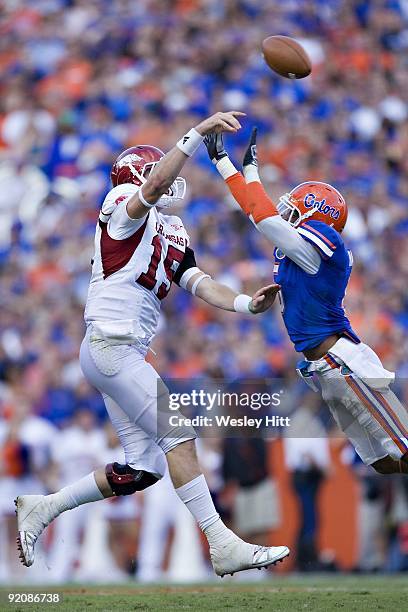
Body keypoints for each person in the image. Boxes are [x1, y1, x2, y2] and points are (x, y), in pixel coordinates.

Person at [15, 111, 289, 577]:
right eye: (154, 171)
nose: (166, 180)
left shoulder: (171, 229)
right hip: (111, 345)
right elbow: (157, 182)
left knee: (144, 469)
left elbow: (200, 283)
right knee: (178, 432)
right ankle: (221, 543)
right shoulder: (121, 205)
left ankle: (44, 507)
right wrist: (198, 132)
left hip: (121, 353)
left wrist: (245, 304)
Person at [204, 127, 408, 477]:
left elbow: (262, 216)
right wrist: (231, 165)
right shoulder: (298, 252)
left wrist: (238, 168)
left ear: (317, 217)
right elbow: (261, 213)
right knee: (387, 464)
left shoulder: (323, 243)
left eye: (294, 209)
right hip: (322, 369)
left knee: (405, 448)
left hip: (344, 363)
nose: (286, 214)